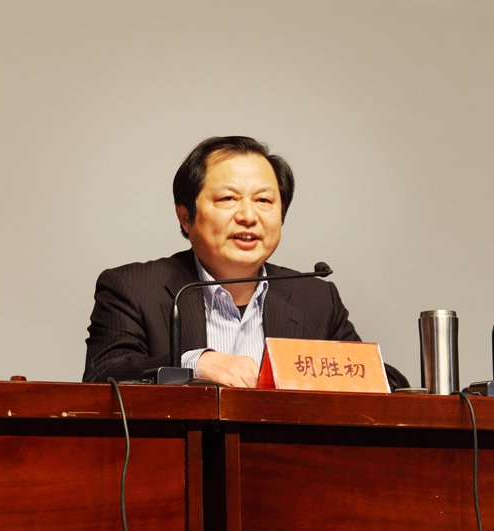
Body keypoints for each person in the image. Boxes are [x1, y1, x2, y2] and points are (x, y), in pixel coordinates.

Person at [83, 136, 408, 389]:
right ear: (185, 217)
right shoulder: (134, 288)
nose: (249, 216)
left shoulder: (316, 298)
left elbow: (387, 382)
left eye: (264, 200)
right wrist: (195, 363)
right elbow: (102, 376)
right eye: (228, 198)